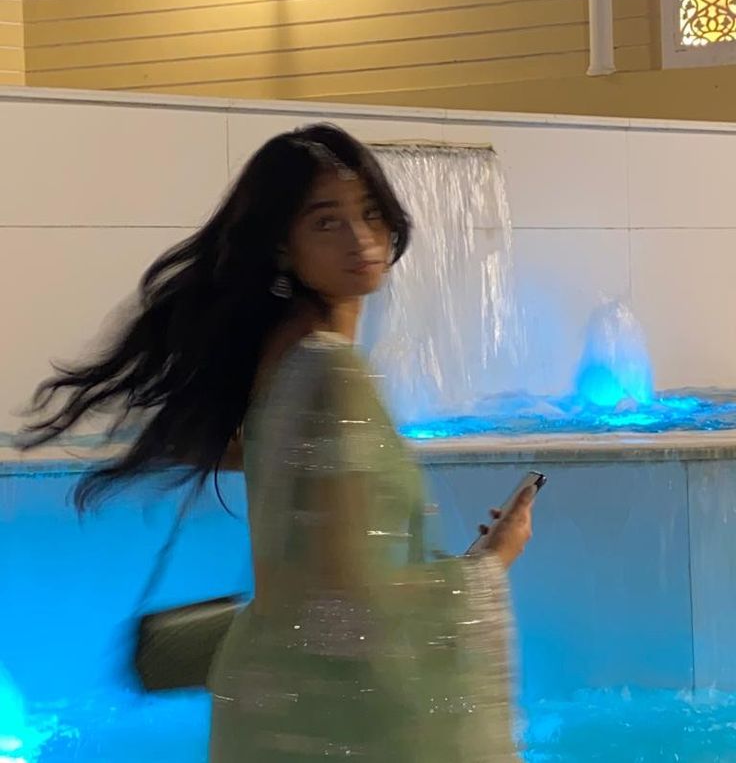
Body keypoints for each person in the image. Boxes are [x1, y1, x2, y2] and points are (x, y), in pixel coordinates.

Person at [21, 124, 534, 762]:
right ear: (282, 247)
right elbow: (345, 606)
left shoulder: (279, 359)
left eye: (369, 213)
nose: (362, 238)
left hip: (273, 707)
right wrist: (489, 564)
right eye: (327, 222)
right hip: (329, 730)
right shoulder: (329, 374)